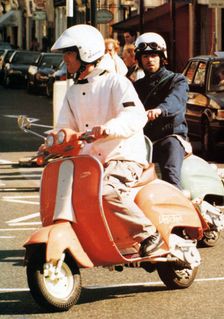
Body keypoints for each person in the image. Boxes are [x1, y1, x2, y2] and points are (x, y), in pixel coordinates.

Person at [51, 24, 163, 257]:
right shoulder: (73, 92)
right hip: (91, 161)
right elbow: (64, 127)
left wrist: (108, 128)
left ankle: (148, 233)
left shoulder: (116, 82)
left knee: (106, 192)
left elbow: (136, 116)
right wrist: (51, 142)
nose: (65, 59)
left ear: (86, 53)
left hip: (122, 156)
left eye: (69, 53)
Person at [134, 32, 192, 190]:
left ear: (162, 57)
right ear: (139, 59)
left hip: (169, 137)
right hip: (143, 140)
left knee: (170, 173)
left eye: (153, 55)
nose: (149, 60)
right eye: (145, 56)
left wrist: (160, 110)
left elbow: (176, 101)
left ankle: (176, 204)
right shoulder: (137, 86)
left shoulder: (177, 80)